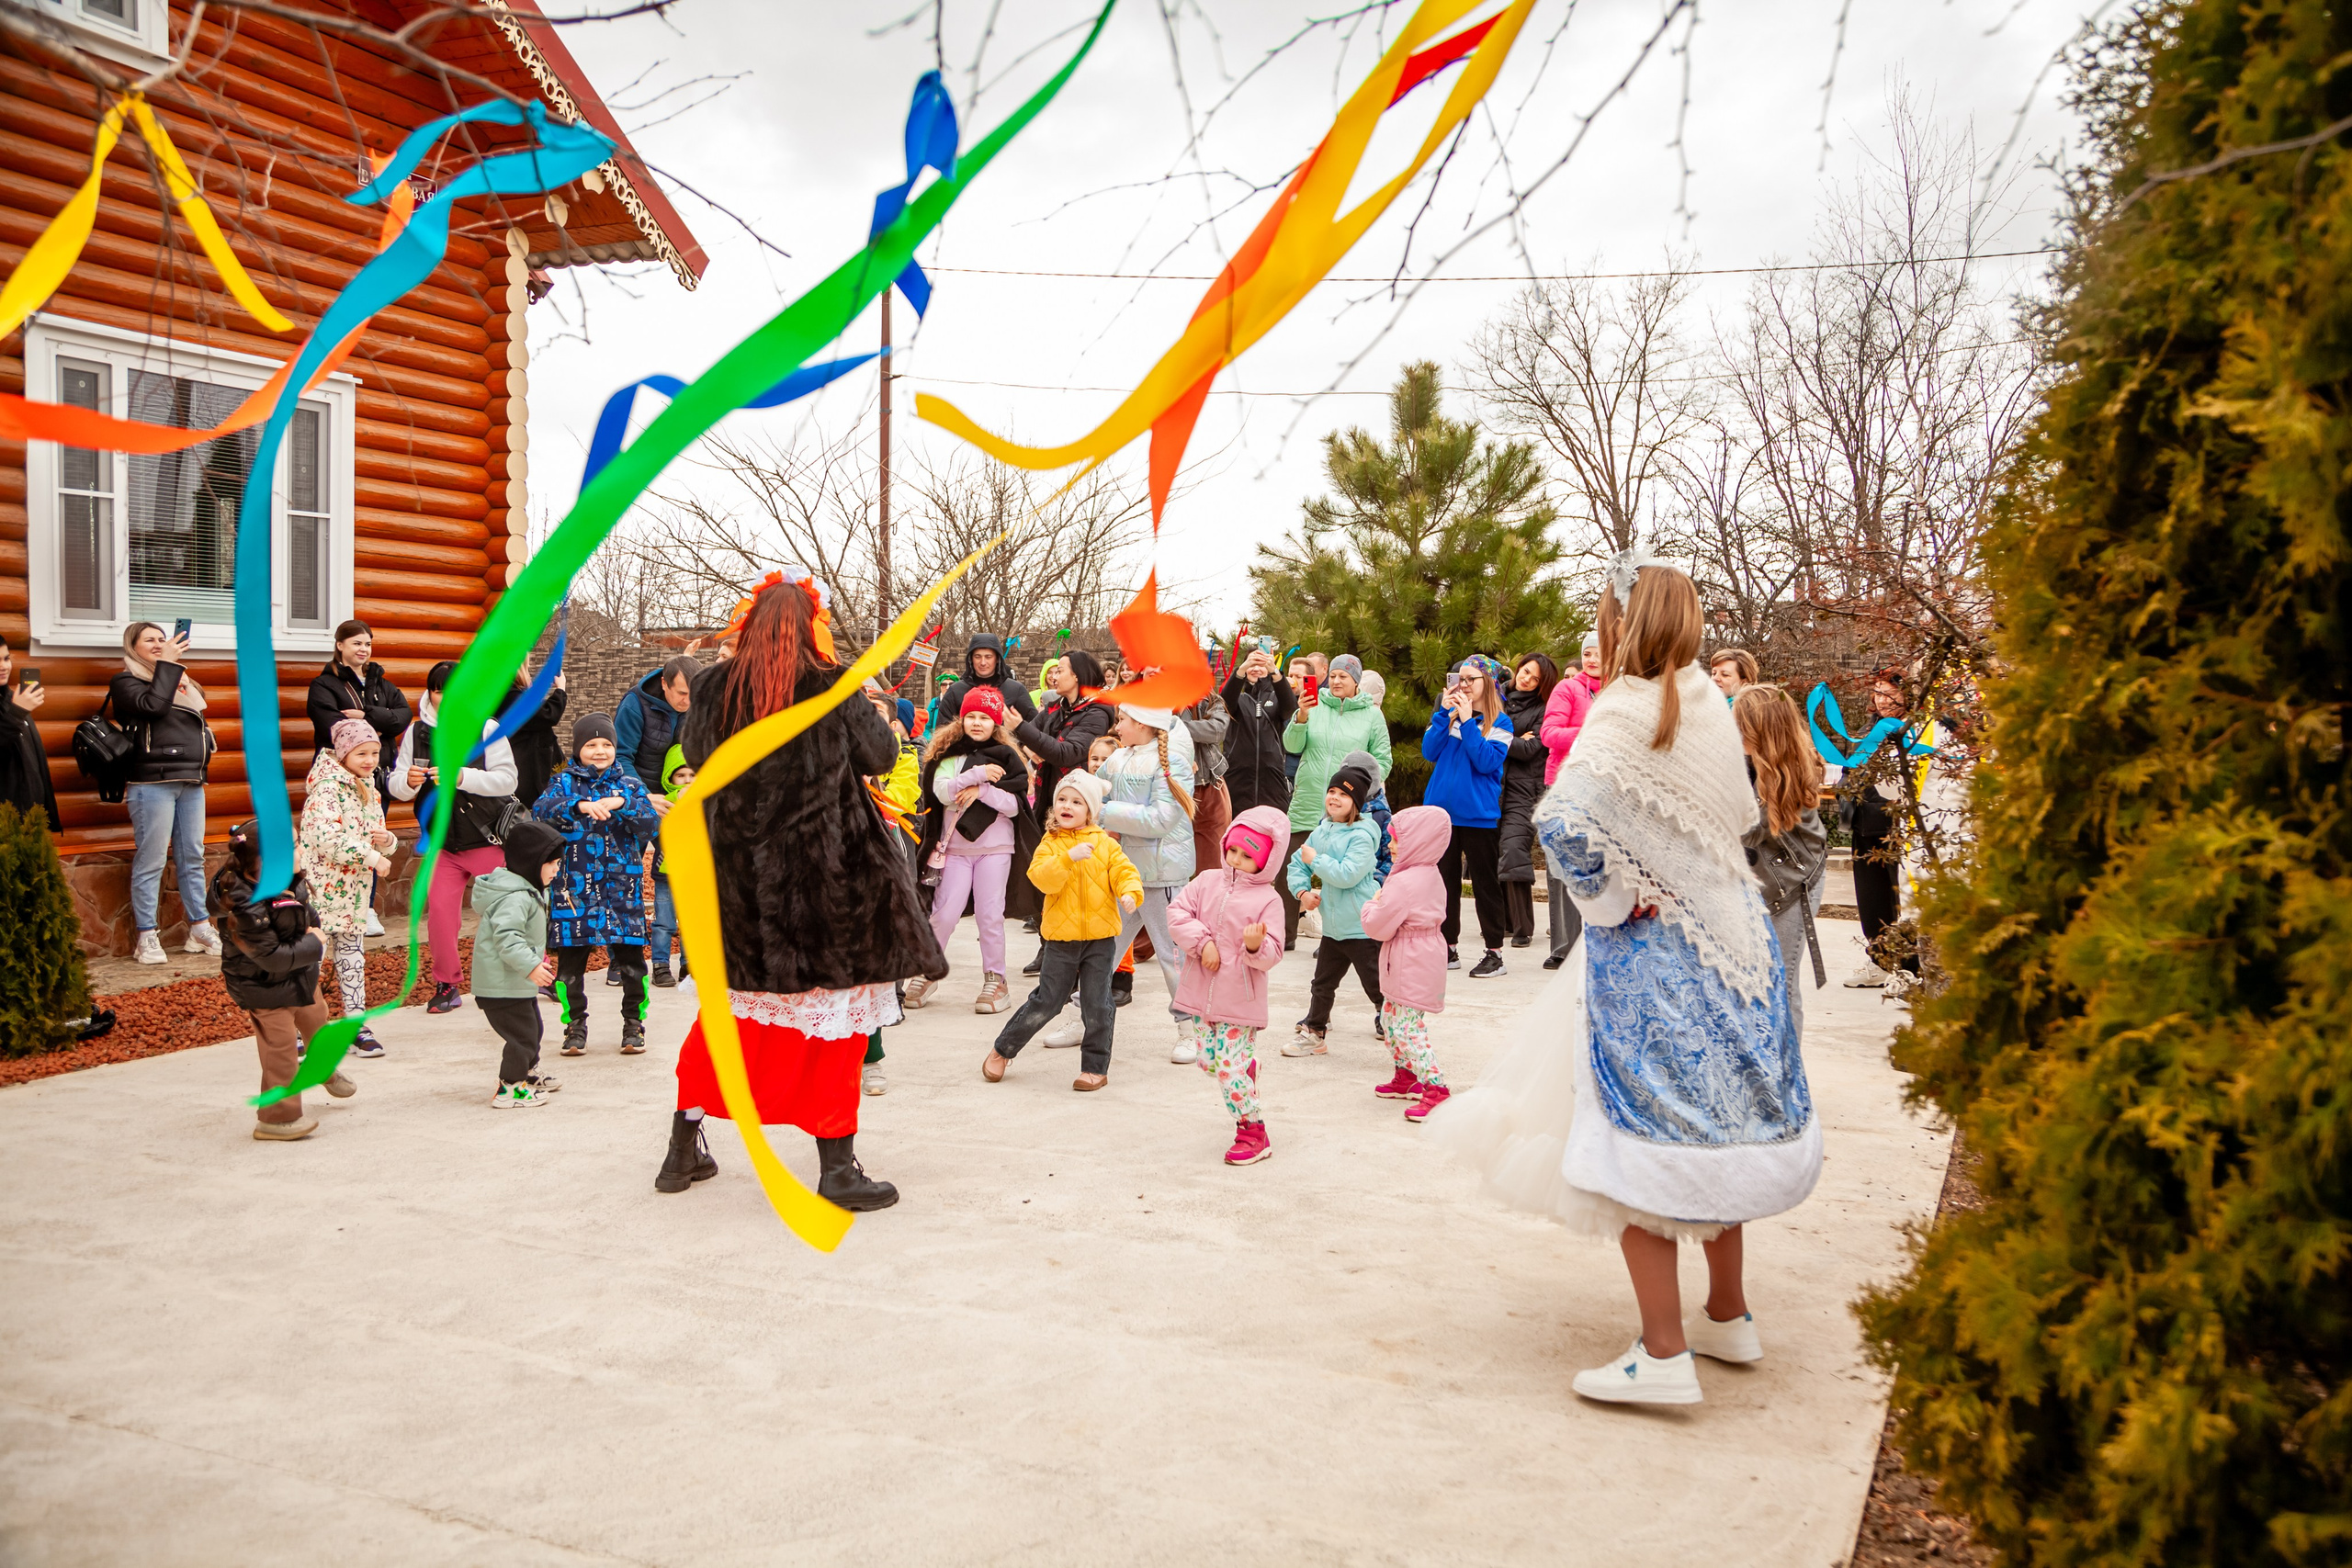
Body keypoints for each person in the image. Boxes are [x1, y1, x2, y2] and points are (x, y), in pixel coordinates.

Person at [1432, 556, 1819, 1408]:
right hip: (1734, 945)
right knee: (1715, 1122)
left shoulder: (1621, 709)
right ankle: (1727, 1313)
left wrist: (1610, 899)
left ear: (1624, 623)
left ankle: (1663, 1350)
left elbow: (1562, 818)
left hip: (1656, 964)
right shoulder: (1711, 705)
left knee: (1642, 1134)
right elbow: (1742, 820)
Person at [657, 570, 945, 1207]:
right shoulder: (832, 686)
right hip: (828, 885)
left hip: (738, 885)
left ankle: (681, 1150)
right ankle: (837, 1168)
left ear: (750, 624)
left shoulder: (710, 688)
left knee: (727, 1020)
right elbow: (877, 756)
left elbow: (697, 753)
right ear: (815, 628)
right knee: (834, 1032)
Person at [984, 771, 1141, 1089]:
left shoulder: (1104, 844)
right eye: (1062, 800)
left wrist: (1129, 892)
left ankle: (1094, 1067)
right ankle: (1003, 1049)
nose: (1066, 806)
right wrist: (1068, 858)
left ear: (1091, 810)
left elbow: (1125, 871)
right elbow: (1041, 878)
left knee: (1098, 1003)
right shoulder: (1050, 843)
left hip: (1100, 939)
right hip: (1061, 940)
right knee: (1048, 1001)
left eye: (1076, 802)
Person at [209, 818, 356, 1140]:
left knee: (317, 1017)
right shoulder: (243, 904)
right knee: (281, 1048)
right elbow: (269, 956)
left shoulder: (292, 880)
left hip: (297, 974)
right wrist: (314, 943)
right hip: (262, 985)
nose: (300, 850)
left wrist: (312, 932)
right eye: (292, 847)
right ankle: (277, 1119)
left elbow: (307, 916)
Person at [388, 660, 519, 1014]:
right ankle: (447, 984)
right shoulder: (416, 733)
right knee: (442, 916)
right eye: (439, 689)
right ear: (430, 693)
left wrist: (462, 777)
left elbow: (508, 781)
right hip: (442, 843)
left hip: (485, 838)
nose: (446, 696)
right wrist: (408, 782)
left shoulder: (487, 728)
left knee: (505, 911)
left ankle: (521, 974)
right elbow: (397, 784)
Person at [1166, 807, 1291, 1166]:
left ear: (1266, 860)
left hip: (1240, 1002)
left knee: (1226, 1070)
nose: (1236, 860)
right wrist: (1202, 942)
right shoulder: (1206, 881)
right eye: (1232, 850)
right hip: (1200, 997)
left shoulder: (1268, 900)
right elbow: (1176, 913)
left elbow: (1273, 953)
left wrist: (1254, 946)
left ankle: (1253, 1130)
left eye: (1248, 855)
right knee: (1209, 1062)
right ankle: (1246, 1068)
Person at [533, 713, 660, 1055]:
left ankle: (634, 1025)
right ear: (578, 749)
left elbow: (651, 825)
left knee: (633, 964)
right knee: (571, 967)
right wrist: (580, 805)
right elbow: (540, 811)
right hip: (575, 892)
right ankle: (574, 1027)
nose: (600, 751)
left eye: (606, 744)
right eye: (591, 744)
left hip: (622, 893)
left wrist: (624, 805)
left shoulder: (630, 785)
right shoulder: (563, 783)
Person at [905, 686, 1031, 1016]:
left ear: (996, 723)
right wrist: (974, 776)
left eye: (985, 718)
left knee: (990, 915)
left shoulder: (1007, 757)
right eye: (971, 717)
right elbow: (941, 792)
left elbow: (1014, 805)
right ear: (961, 720)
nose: (977, 723)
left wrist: (983, 791)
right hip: (955, 850)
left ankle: (996, 979)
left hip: (996, 849)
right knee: (944, 913)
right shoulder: (948, 756)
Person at [112, 622, 220, 964]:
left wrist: (172, 672)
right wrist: (170, 667)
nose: (159, 644)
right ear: (133, 647)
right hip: (151, 783)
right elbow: (153, 707)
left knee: (192, 857)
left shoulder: (183, 680)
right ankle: (146, 936)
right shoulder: (125, 681)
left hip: (190, 780)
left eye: (163, 638)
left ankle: (200, 929)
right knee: (152, 859)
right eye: (150, 640)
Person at [1099, 701, 1197, 1057]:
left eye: (1122, 719)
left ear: (1141, 723)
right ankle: (1084, 1016)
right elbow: (1094, 792)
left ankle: (1192, 1030)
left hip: (1162, 875)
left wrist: (1103, 811)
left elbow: (1160, 820)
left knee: (1174, 957)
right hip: (1123, 874)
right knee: (1102, 949)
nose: (1117, 726)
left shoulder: (1174, 764)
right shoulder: (1118, 758)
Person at [304, 619, 409, 936]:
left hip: (375, 777)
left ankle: (368, 908)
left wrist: (366, 717)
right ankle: (332, 908)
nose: (363, 649)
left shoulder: (382, 683)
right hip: (340, 778)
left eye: (367, 644)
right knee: (341, 839)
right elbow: (330, 725)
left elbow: (403, 716)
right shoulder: (324, 686)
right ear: (340, 645)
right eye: (356, 643)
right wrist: (378, 728)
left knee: (372, 838)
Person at [298, 718, 395, 1056]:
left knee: (352, 957)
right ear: (343, 753)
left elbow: (377, 832)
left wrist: (388, 842)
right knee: (313, 958)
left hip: (354, 893)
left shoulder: (368, 788)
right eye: (361, 753)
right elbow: (326, 837)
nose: (369, 760)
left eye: (374, 753)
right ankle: (304, 1027)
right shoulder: (327, 789)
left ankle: (356, 1023)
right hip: (322, 891)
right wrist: (371, 855)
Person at [1279, 653, 1391, 947]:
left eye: (1345, 676)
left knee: (1344, 876)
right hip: (1308, 799)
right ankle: (1284, 936)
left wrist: (1358, 794)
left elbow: (1383, 761)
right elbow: (1291, 745)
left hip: (1348, 811)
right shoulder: (1314, 705)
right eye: (1335, 675)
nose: (1338, 680)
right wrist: (1301, 716)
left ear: (1356, 681)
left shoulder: (1371, 715)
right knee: (1291, 864)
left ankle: (1344, 938)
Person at [1735, 685, 1828, 1036]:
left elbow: (1748, 831)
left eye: (1740, 724)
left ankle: (1786, 1082)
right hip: (1765, 880)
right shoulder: (1748, 761)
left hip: (1794, 885)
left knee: (1781, 982)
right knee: (1754, 979)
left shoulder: (1786, 772)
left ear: (1763, 730)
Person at [1357, 804, 1454, 1120]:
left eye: (1396, 840)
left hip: (1408, 961)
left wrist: (1370, 906)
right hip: (1422, 957)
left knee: (1405, 1026)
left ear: (1417, 843)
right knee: (1392, 1019)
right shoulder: (1430, 874)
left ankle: (1435, 1086)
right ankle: (1406, 1075)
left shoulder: (1402, 882)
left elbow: (1378, 926)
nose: (1390, 845)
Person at [1420, 655, 1513, 978]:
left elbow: (1487, 762)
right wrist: (1445, 717)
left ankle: (1494, 953)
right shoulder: (1448, 716)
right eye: (1459, 678)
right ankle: (1448, 947)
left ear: (1486, 683)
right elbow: (1429, 752)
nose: (1463, 684)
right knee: (1444, 884)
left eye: (1470, 679)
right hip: (1441, 814)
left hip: (1478, 816)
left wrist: (1468, 723)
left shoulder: (1500, 723)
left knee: (1485, 885)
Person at [1283, 764, 1384, 1056]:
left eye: (1344, 793)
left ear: (1357, 802)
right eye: (1332, 791)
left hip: (1361, 927)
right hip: (1334, 928)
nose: (1335, 797)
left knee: (1376, 987)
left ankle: (1401, 1029)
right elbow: (1296, 863)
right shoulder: (1322, 830)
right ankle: (1315, 1033)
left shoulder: (1362, 836)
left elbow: (1347, 875)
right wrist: (1302, 892)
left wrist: (1316, 862)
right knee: (1322, 984)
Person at [470, 819, 567, 1109]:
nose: (556, 870)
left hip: (513, 981)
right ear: (530, 862)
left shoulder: (526, 889)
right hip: (501, 984)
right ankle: (510, 1088)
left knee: (532, 1028)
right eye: (552, 863)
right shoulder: (515, 898)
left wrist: (535, 962)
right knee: (522, 1036)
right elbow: (508, 939)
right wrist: (531, 966)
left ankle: (527, 1072)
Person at [1842, 667, 1918, 987]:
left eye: (1890, 692)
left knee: (1903, 898)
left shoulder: (1911, 731)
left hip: (1895, 825)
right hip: (1863, 824)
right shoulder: (1865, 731)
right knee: (1871, 900)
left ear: (1905, 694)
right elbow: (1850, 771)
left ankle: (1911, 966)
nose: (1882, 699)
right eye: (1877, 692)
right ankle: (1879, 959)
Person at [1537, 633, 1603, 970]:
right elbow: (1549, 734)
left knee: (1602, 867)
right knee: (1562, 867)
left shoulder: (1621, 689)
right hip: (1565, 785)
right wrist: (1590, 732)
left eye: (1599, 653)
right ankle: (1564, 945)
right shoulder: (1568, 689)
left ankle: (1597, 942)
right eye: (1587, 653)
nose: (1591, 660)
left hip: (1604, 788)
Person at [1498, 653, 1559, 951]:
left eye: (1535, 678)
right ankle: (1505, 923)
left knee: (1513, 850)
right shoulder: (1498, 697)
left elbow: (1530, 748)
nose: (1527, 679)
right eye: (1526, 671)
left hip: (1525, 790)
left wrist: (1496, 736)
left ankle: (1523, 926)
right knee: (1492, 852)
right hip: (1492, 786)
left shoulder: (1543, 709)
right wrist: (1512, 737)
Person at [1220, 641, 1295, 820]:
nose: (1256, 669)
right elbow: (1225, 705)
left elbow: (1289, 709)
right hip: (1237, 779)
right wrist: (1240, 671)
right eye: (1252, 664)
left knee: (1270, 833)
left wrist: (1274, 672)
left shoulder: (1276, 696)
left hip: (1272, 780)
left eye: (1261, 665)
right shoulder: (1238, 697)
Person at [0, 636, 61, 832]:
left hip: (27, 816)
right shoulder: (15, 707)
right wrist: (17, 713)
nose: (4, 667)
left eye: (6, 659)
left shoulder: (10, 698)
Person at [614, 656, 696, 791]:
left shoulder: (699, 704)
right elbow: (620, 757)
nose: (688, 701)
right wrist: (644, 797)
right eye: (682, 693)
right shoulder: (634, 704)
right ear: (664, 683)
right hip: (640, 794)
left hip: (682, 795)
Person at [1182, 679, 1232, 881]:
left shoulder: (1209, 698)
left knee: (1212, 865)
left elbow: (1217, 731)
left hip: (1209, 784)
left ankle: (1209, 911)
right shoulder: (1155, 699)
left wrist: (1175, 727)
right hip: (1171, 786)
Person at [506, 659, 570, 816]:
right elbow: (547, 714)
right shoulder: (511, 695)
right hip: (529, 765)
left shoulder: (503, 695)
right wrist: (560, 689)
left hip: (522, 761)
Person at [935, 633, 1039, 728]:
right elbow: (942, 731)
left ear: (997, 659)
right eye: (978, 657)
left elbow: (1035, 729)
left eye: (988, 657)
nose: (983, 662)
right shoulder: (956, 691)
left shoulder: (1016, 690)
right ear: (971, 659)